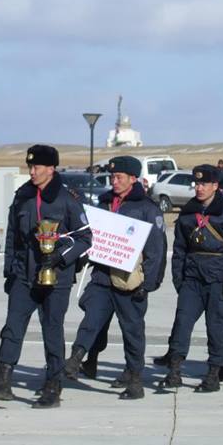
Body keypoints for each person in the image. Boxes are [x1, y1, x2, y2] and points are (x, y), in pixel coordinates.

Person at [0, 145, 92, 408]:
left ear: (51, 169)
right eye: (30, 167)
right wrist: (10, 272)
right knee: (12, 328)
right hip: (24, 275)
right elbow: (13, 238)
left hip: (57, 280)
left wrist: (60, 257)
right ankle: (3, 380)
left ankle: (53, 386)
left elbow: (85, 238)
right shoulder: (23, 196)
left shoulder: (68, 199)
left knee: (52, 331)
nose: (32, 172)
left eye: (37, 167)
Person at [64, 155, 167, 399]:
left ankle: (135, 378)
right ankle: (76, 358)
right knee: (91, 319)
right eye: (112, 176)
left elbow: (156, 250)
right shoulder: (104, 203)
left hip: (129, 281)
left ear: (133, 179)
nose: (114, 181)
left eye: (119, 177)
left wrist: (148, 283)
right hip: (102, 275)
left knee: (132, 331)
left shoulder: (146, 209)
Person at [159, 164, 223, 393]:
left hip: (218, 280)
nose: (199, 188)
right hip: (192, 280)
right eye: (196, 184)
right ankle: (174, 370)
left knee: (215, 329)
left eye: (204, 184)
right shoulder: (188, 214)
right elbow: (179, 249)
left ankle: (214, 374)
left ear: (215, 186)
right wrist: (179, 279)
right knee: (182, 324)